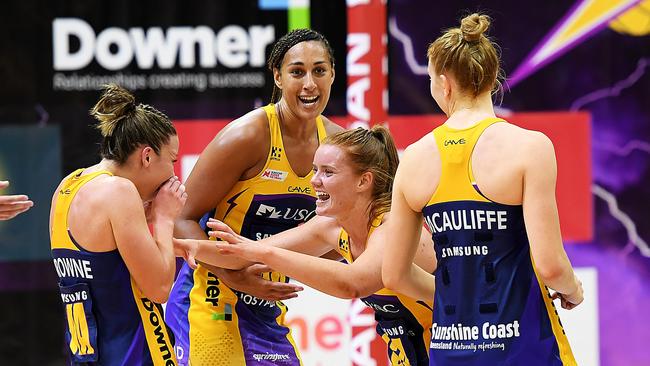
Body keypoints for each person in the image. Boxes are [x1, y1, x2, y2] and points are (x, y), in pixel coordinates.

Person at [381, 13, 583, 365]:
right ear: (491, 79)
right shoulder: (529, 147)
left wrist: (456, 303)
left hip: (450, 351)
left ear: (444, 84)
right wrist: (573, 289)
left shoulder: (412, 159)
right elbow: (551, 267)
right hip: (522, 349)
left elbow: (394, 275)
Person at [176, 126, 437, 365]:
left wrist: (260, 251)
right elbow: (239, 258)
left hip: (458, 341)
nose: (314, 181)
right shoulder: (330, 226)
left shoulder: (390, 225)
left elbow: (352, 283)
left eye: (328, 172)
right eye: (315, 170)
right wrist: (180, 245)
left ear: (363, 181)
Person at [165, 28, 343, 366]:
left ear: (332, 74)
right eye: (297, 72)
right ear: (277, 77)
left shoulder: (337, 145)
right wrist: (234, 276)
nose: (309, 83)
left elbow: (334, 242)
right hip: (210, 295)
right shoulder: (249, 135)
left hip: (266, 308)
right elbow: (180, 218)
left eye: (319, 70)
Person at [49, 84, 186, 365]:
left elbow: (105, 265)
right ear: (147, 156)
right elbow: (160, 288)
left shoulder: (69, 185)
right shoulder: (119, 192)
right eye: (172, 160)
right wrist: (163, 217)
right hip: (130, 356)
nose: (174, 171)